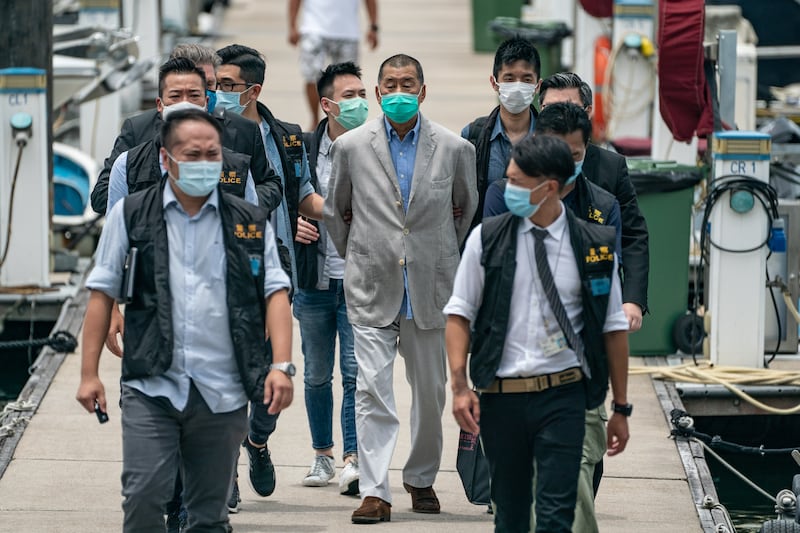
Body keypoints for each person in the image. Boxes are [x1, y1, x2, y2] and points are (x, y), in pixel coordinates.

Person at [76, 108, 294, 532]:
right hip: (151, 384)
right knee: (141, 499)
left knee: (208, 516)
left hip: (223, 390)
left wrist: (281, 366)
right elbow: (102, 291)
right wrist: (89, 374)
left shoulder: (249, 222)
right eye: (191, 154)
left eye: (212, 154)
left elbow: (275, 292)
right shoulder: (132, 215)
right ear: (165, 159)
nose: (204, 163)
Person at [444, 134, 631, 533]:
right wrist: (460, 387)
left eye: (517, 182)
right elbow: (459, 314)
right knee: (509, 516)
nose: (505, 189)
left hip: (563, 397)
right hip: (502, 398)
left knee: (555, 516)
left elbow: (614, 329)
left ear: (548, 188)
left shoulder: (594, 247)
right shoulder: (487, 239)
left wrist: (621, 407)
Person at [323, 53, 478, 524]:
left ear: (423, 91)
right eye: (389, 84)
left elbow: (465, 212)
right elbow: (336, 211)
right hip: (372, 285)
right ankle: (374, 489)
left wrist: (438, 254)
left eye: (407, 84)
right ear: (376, 93)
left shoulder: (454, 149)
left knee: (431, 393)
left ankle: (421, 477)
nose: (398, 92)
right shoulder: (352, 146)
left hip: (431, 288)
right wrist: (363, 253)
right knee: (372, 392)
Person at [215, 43, 324, 509]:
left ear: (253, 90)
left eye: (227, 86)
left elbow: (299, 192)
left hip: (273, 272)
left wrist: (314, 217)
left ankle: (257, 442)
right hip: (222, 276)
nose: (217, 93)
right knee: (224, 378)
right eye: (214, 84)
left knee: (266, 380)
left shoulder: (285, 136)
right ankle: (223, 474)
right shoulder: (206, 134)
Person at [89, 45, 281, 217]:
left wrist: (242, 201)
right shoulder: (138, 131)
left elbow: (270, 184)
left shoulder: (242, 129)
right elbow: (101, 197)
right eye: (179, 92)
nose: (190, 98)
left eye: (208, 85)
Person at [293, 61, 368, 495]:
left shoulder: (374, 145)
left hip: (358, 280)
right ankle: (322, 454)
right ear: (327, 104)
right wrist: (293, 216)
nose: (359, 103)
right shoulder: (301, 148)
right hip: (315, 281)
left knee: (355, 373)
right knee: (317, 374)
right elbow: (284, 194)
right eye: (350, 95)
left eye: (363, 95)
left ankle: (353, 459)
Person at [537, 72, 649, 331]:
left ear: (587, 113)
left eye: (570, 108)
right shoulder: (522, 168)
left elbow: (633, 235)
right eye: (552, 109)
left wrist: (632, 300)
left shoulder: (610, 168)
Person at [462, 36, 541, 228]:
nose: (517, 86)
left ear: (537, 86)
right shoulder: (473, 136)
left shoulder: (549, 138)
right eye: (509, 78)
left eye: (526, 79)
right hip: (487, 243)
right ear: (494, 82)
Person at [288, 0, 378, 129]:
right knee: (311, 78)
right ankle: (315, 120)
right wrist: (292, 25)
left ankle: (344, 122)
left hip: (348, 32)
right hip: (314, 28)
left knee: (348, 82)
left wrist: (373, 26)